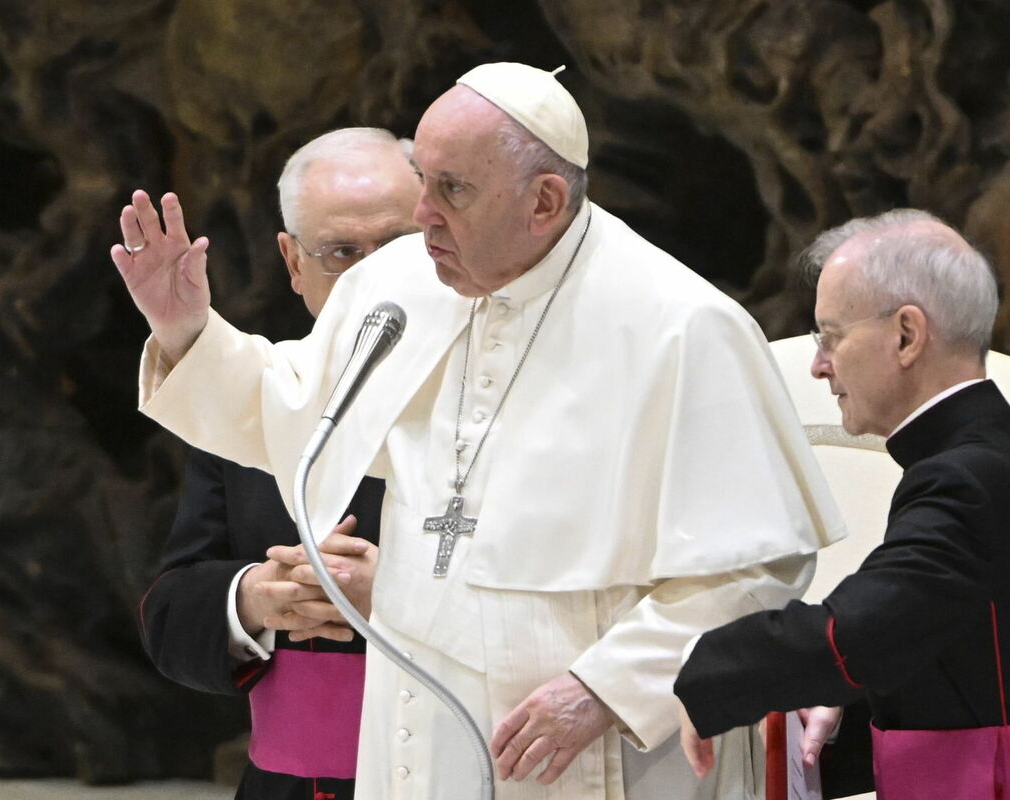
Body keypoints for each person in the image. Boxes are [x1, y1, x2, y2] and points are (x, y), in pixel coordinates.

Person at [113, 63, 845, 799]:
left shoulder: (681, 326)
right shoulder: (399, 283)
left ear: (545, 201)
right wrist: (184, 328)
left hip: (603, 751)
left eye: (451, 189)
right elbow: (291, 412)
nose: (423, 212)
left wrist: (603, 691)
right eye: (422, 179)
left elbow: (753, 570)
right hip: (424, 731)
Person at [674, 209, 1010, 797]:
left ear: (906, 335)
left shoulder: (967, 476)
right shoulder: (979, 452)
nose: (818, 364)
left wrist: (705, 669)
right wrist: (847, 695)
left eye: (830, 335)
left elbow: (866, 627)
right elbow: (952, 643)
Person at [138, 127, 422, 800]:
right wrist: (257, 598)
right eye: (341, 252)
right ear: (293, 263)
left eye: (398, 246)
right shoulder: (256, 392)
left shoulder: (509, 395)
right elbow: (171, 611)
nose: (373, 275)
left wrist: (401, 594)